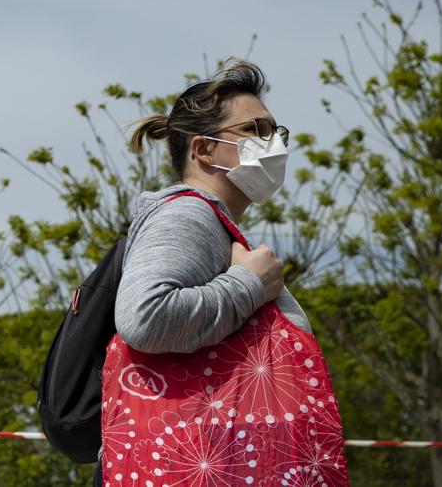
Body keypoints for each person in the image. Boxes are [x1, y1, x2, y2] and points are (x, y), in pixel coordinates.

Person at [95, 59, 347, 486]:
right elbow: (144, 318)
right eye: (256, 130)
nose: (275, 143)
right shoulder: (188, 215)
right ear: (203, 150)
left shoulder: (207, 218)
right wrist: (250, 283)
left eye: (276, 131)